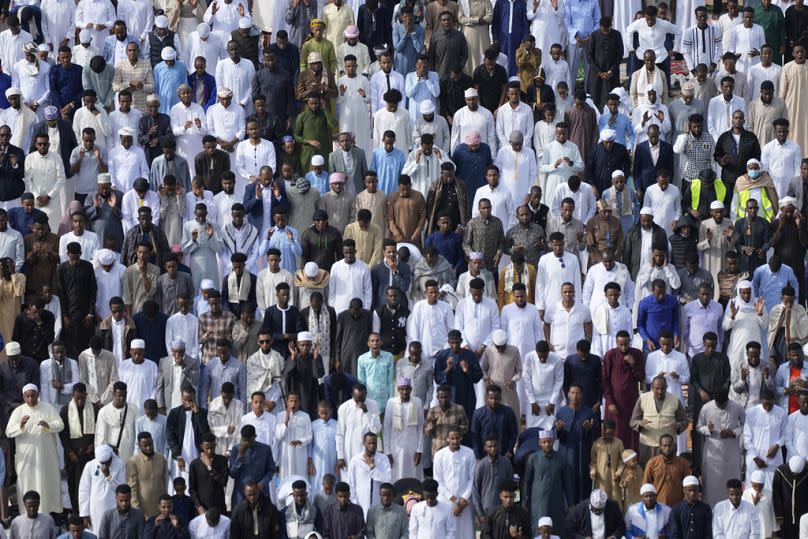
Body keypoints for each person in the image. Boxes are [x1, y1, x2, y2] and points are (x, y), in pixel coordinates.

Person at [4, 383, 64, 514]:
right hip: (27, 460)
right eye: (27, 396)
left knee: (47, 484)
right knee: (27, 484)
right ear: (24, 397)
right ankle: (27, 513)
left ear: (38, 395)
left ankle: (49, 512)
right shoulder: (18, 411)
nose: (30, 399)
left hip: (46, 457)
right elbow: (8, 432)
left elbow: (60, 424)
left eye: (33, 396)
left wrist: (48, 425)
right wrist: (20, 425)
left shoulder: (47, 407)